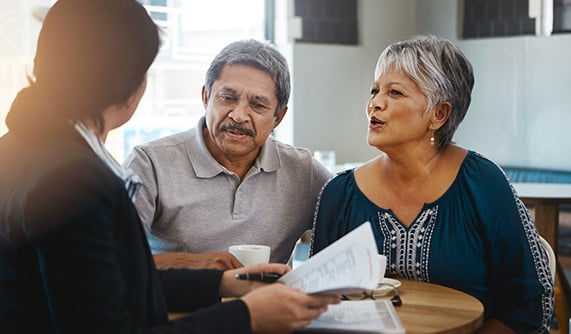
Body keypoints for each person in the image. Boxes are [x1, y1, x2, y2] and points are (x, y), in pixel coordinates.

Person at [0, 1, 338, 333]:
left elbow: (101, 286)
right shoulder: (74, 181)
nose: (238, 115)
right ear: (130, 89)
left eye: (258, 104)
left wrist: (222, 283)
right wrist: (246, 316)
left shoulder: (19, 149)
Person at [309, 35, 554, 333]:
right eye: (375, 90)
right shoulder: (340, 194)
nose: (375, 103)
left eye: (395, 93)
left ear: (439, 114)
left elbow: (526, 305)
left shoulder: (483, 184)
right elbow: (316, 302)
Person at [124, 39, 333, 270]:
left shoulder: (304, 172)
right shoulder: (149, 163)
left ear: (278, 117)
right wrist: (193, 263)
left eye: (258, 105)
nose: (239, 115)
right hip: (177, 305)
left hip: (268, 305)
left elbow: (359, 215)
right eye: (228, 98)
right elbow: (115, 261)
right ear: (206, 97)